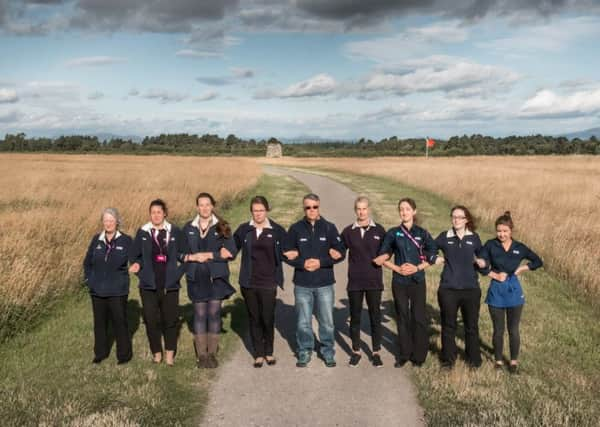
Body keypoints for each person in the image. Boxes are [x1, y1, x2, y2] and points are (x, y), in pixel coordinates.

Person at [374, 197, 436, 368]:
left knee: (418, 317)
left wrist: (417, 268)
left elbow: (432, 254)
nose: (404, 212)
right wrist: (397, 268)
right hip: (399, 281)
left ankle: (419, 355)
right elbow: (384, 254)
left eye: (407, 209)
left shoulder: (423, 233)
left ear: (414, 212)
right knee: (402, 316)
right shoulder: (393, 233)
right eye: (401, 209)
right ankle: (404, 354)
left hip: (417, 280)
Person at [285, 193, 345, 368]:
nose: (311, 210)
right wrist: (301, 263)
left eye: (314, 207)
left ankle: (328, 351)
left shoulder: (329, 228)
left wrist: (321, 262)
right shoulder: (295, 229)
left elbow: (341, 252)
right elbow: (286, 254)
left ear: (319, 206)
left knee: (326, 321)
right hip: (302, 283)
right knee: (303, 321)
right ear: (304, 209)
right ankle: (304, 350)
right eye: (308, 207)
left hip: (324, 283)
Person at [479, 211, 543, 373]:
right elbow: (480, 263)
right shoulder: (490, 245)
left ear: (511, 231)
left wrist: (522, 268)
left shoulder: (519, 247)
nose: (501, 234)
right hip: (496, 291)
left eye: (505, 231)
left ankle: (513, 362)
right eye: (499, 231)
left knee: (513, 330)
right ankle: (499, 361)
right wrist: (493, 274)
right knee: (498, 330)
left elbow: (538, 261)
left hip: (514, 291)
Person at [129, 199, 189, 366]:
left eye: (158, 212)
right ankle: (157, 352)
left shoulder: (175, 231)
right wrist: (139, 270)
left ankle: (169, 354)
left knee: (170, 320)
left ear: (165, 213)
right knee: (150, 319)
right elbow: (134, 256)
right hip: (149, 285)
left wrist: (178, 274)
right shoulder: (143, 232)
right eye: (152, 212)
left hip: (170, 285)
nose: (155, 215)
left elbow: (186, 255)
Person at [233, 196, 288, 368]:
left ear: (267, 211)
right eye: (255, 210)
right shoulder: (244, 229)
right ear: (251, 211)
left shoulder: (277, 230)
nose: (258, 214)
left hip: (269, 281)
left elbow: (289, 250)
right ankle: (258, 353)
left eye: (261, 210)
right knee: (254, 317)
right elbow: (231, 248)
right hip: (249, 282)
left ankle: (269, 352)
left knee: (267, 317)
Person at [183, 192, 237, 369]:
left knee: (213, 314)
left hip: (217, 278)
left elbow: (231, 253)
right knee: (199, 314)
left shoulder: (222, 226)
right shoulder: (188, 228)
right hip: (196, 278)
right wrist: (191, 257)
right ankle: (202, 355)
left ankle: (212, 353)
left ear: (212, 206)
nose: (204, 208)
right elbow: (179, 253)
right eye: (201, 205)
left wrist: (208, 255)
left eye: (207, 204)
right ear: (197, 207)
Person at [433, 205, 486, 369]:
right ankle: (448, 360)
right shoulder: (444, 236)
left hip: (471, 289)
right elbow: (427, 250)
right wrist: (433, 257)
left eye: (459, 217)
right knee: (448, 326)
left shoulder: (474, 238)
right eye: (453, 217)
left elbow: (483, 258)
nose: (456, 220)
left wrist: (483, 263)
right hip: (448, 288)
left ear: (466, 220)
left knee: (471, 326)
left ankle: (474, 360)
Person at [339, 196, 386, 367]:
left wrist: (386, 257)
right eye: (358, 208)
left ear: (369, 209)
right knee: (355, 317)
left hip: (374, 281)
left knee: (375, 316)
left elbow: (387, 251)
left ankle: (376, 352)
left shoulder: (379, 230)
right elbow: (338, 250)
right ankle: (356, 350)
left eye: (364, 208)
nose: (361, 211)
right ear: (355, 211)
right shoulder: (348, 231)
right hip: (355, 282)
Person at [83, 207, 133, 364]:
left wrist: (135, 267)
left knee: (120, 322)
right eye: (105, 220)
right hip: (97, 290)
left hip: (118, 290)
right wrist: (90, 280)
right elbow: (87, 262)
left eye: (111, 220)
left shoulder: (126, 240)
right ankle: (100, 353)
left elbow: (137, 260)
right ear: (102, 222)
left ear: (117, 222)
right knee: (99, 323)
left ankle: (124, 355)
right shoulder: (96, 239)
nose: (108, 223)